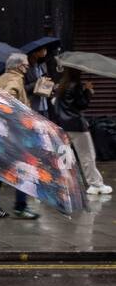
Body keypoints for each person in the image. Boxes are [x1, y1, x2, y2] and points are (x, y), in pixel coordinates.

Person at [0, 53, 39, 219]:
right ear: (18, 66)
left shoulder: (0, 78)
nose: (28, 67)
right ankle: (20, 207)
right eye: (25, 64)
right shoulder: (15, 80)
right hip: (12, 133)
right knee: (23, 169)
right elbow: (7, 100)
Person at [54, 66, 112, 196]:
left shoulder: (62, 85)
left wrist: (84, 89)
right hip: (77, 126)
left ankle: (63, 183)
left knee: (64, 156)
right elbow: (82, 104)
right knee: (87, 155)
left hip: (62, 125)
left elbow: (60, 104)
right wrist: (89, 91)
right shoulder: (76, 85)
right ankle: (95, 184)